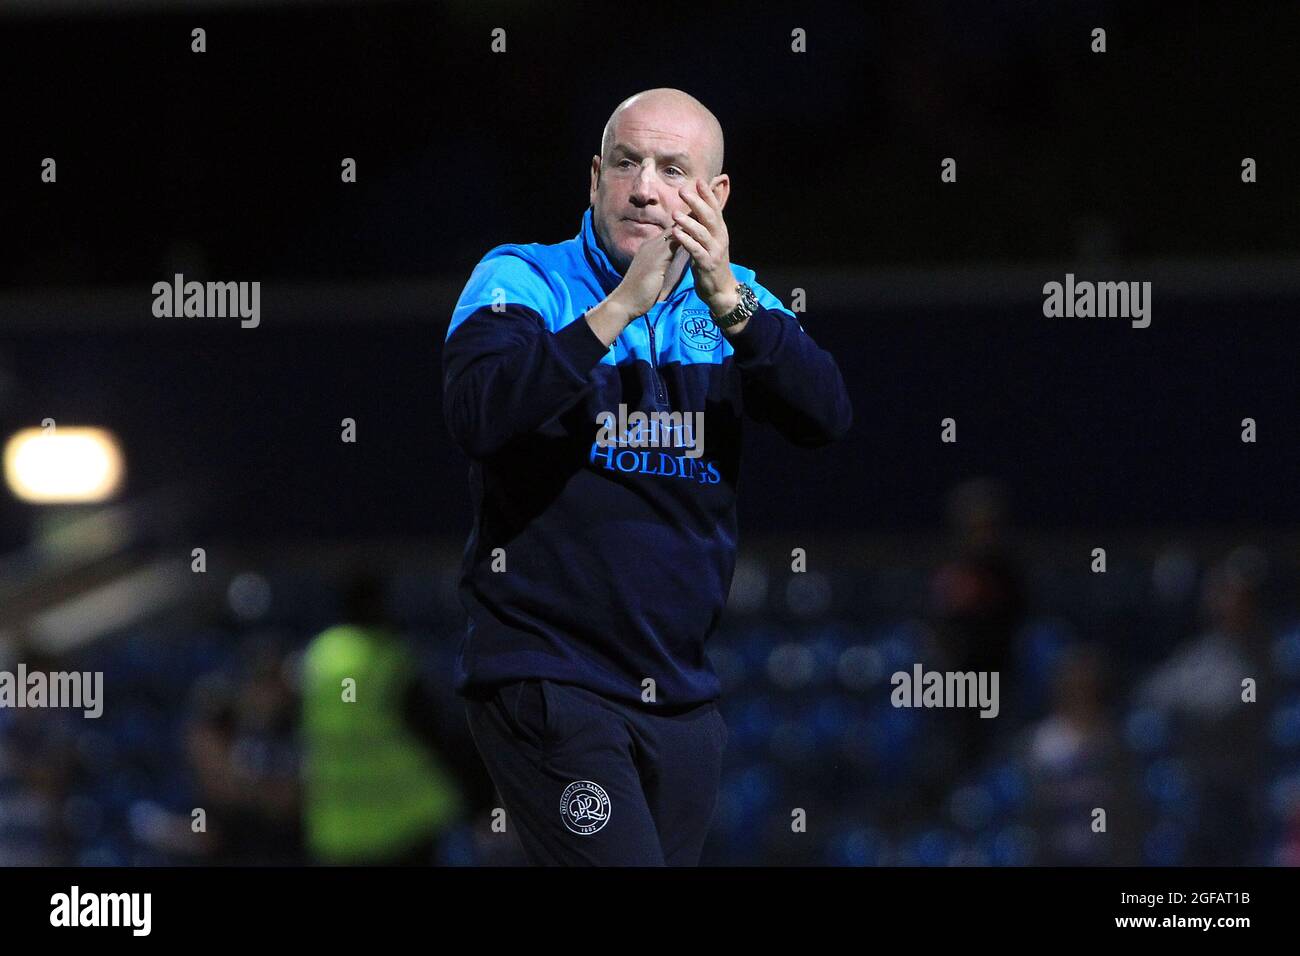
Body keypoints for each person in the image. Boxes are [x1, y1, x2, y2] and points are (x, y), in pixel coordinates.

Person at [442, 88, 852, 866]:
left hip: (680, 692)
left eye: (672, 168)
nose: (644, 187)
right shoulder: (522, 278)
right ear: (594, 177)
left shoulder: (734, 301)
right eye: (626, 163)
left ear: (715, 195)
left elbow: (825, 416)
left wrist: (730, 300)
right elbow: (478, 417)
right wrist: (617, 311)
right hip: (550, 676)